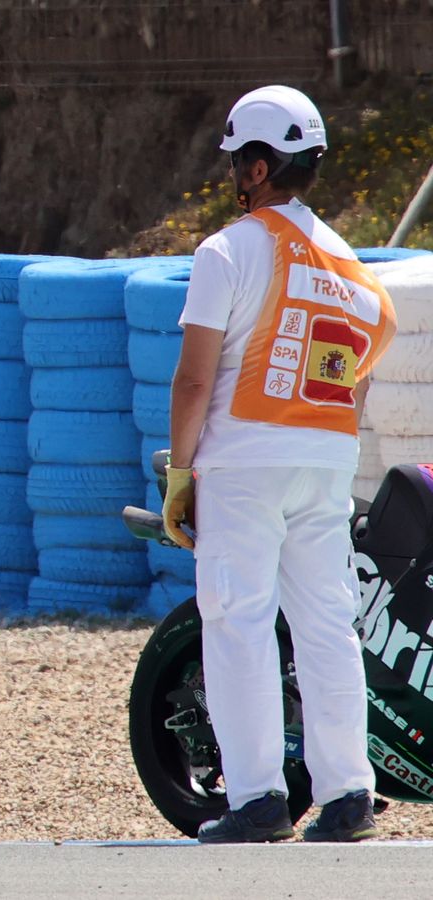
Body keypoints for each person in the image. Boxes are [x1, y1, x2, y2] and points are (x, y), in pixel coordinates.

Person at [164, 85, 395, 844]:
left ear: (259, 167)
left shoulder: (227, 250)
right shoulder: (354, 271)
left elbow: (196, 377)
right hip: (324, 458)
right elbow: (357, 378)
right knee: (328, 622)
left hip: (245, 459)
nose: (234, 174)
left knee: (237, 621)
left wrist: (181, 473)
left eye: (239, 161)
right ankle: (349, 794)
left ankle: (259, 798)